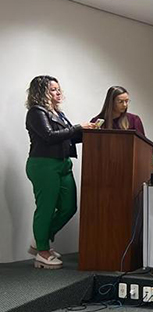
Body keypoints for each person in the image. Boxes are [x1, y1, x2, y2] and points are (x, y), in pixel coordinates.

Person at [25, 75, 96, 269]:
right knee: (46, 208)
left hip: (63, 164)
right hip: (44, 165)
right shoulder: (36, 112)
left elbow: (68, 137)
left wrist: (89, 131)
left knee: (69, 207)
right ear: (41, 92)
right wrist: (77, 127)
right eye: (53, 89)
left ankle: (41, 238)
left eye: (58, 89)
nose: (58, 92)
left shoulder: (58, 114)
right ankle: (42, 252)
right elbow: (49, 136)